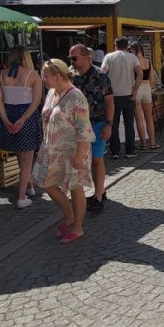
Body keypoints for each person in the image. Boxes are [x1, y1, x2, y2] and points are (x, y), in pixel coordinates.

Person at [34, 58, 95, 244]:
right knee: (46, 182)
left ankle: (78, 227)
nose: (43, 79)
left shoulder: (77, 97)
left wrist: (79, 155)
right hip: (52, 149)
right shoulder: (52, 93)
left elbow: (84, 129)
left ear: (58, 75)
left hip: (74, 150)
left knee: (76, 187)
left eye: (45, 76)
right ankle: (68, 215)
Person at [0, 47, 43, 209]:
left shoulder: (0, 76)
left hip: (8, 113)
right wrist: (23, 118)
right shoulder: (33, 75)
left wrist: (6, 119)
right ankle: (21, 197)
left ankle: (29, 187)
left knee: (20, 155)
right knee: (27, 159)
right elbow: (36, 102)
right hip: (26, 116)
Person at [68, 44, 114, 212]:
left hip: (97, 122)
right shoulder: (71, 76)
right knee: (82, 161)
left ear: (87, 58)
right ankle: (98, 189)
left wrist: (109, 124)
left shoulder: (101, 76)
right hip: (77, 126)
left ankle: (98, 195)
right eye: (70, 58)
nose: (71, 61)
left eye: (74, 58)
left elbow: (109, 102)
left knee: (96, 159)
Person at [101, 37, 141, 159]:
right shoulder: (132, 57)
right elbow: (140, 73)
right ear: (127, 46)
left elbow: (103, 73)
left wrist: (105, 91)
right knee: (129, 124)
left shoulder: (109, 57)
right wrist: (135, 91)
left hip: (113, 96)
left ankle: (115, 151)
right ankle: (130, 150)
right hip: (128, 94)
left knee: (113, 124)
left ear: (115, 45)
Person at [127, 41, 159, 152]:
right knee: (149, 117)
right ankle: (153, 143)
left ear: (133, 50)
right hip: (146, 88)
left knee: (139, 118)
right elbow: (152, 79)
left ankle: (143, 144)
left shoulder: (132, 61)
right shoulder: (148, 62)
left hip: (136, 88)